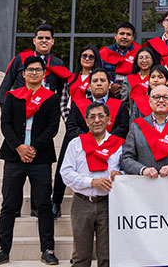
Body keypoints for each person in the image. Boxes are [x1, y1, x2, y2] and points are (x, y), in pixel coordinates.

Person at [0, 55, 59, 266]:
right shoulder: (13, 95)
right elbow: (5, 124)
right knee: (9, 204)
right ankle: (3, 248)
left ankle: (47, 249)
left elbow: (52, 128)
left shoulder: (51, 98)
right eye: (30, 70)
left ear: (43, 74)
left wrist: (34, 147)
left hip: (40, 157)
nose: (34, 73)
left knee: (44, 205)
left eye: (38, 70)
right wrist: (19, 147)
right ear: (24, 74)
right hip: (13, 156)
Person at [59, 101, 123, 267]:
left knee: (108, 256)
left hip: (109, 204)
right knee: (81, 256)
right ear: (86, 121)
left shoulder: (119, 146)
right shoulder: (76, 144)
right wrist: (91, 182)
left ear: (109, 119)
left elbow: (127, 169)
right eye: (92, 117)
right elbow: (65, 173)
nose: (97, 120)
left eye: (101, 116)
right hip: (82, 202)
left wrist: (121, 175)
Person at [53, 47, 101, 219]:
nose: (87, 58)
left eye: (91, 56)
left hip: (93, 126)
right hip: (74, 126)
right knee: (63, 165)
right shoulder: (71, 78)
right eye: (84, 55)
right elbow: (64, 101)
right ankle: (55, 202)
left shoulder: (97, 78)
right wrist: (69, 123)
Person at [119, 84, 168, 179]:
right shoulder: (136, 126)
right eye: (156, 97)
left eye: (166, 97)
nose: (161, 100)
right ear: (149, 101)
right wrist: (143, 170)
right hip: (145, 184)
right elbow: (126, 158)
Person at [0, 24, 72, 105]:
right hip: (20, 107)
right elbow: (5, 87)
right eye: (40, 38)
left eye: (47, 38)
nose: (44, 40)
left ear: (52, 41)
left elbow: (62, 93)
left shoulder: (58, 64)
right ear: (34, 41)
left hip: (46, 110)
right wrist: (5, 111)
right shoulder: (20, 59)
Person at [99, 22, 140, 90]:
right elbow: (97, 74)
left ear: (133, 38)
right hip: (107, 92)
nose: (125, 37)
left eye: (128, 34)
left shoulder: (139, 54)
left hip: (132, 92)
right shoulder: (104, 53)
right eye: (122, 33)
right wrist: (111, 85)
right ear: (115, 36)